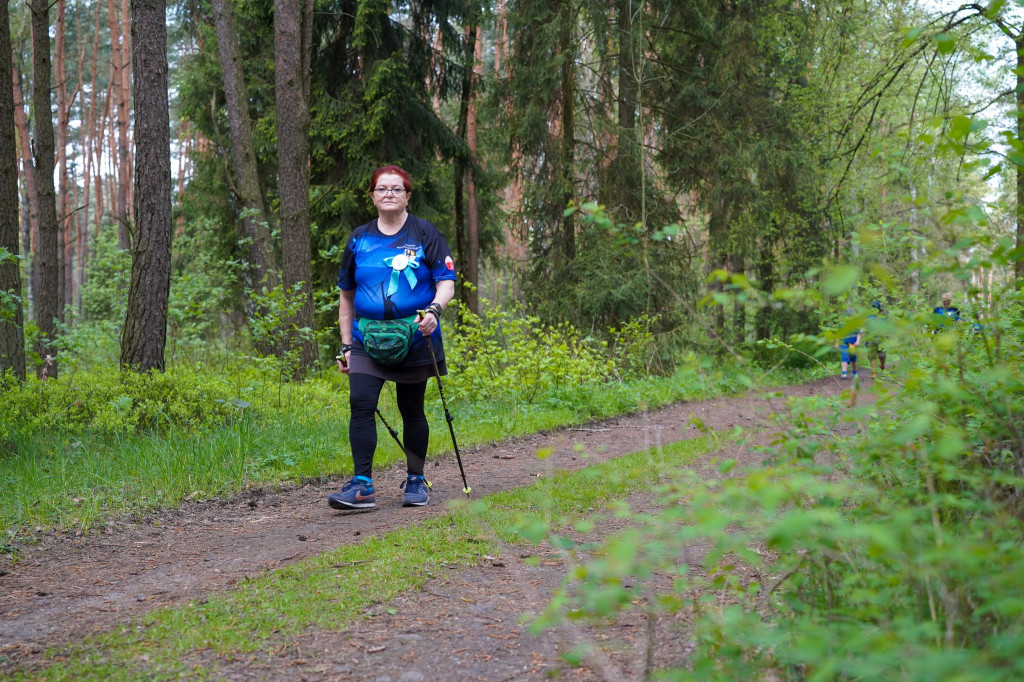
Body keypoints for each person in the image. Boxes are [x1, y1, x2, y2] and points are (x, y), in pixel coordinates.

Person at [328, 165, 457, 510]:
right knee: (361, 403)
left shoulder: (425, 233)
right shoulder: (359, 239)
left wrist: (434, 311)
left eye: (396, 189)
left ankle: (416, 481)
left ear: (407, 196)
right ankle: (362, 486)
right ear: (372, 196)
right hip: (365, 339)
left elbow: (446, 281)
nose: (389, 194)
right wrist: (345, 344)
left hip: (415, 336)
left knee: (411, 409)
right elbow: (346, 295)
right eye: (382, 189)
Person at [836, 312, 861, 380]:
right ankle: (844, 373)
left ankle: (854, 373)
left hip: (852, 344)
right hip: (844, 344)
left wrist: (857, 341)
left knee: (853, 359)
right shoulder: (841, 325)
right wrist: (837, 343)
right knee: (844, 357)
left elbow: (858, 334)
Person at [865, 300, 887, 377]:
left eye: (875, 308)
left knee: (882, 355)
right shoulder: (869, 317)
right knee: (872, 356)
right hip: (871, 339)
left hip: (881, 339)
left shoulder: (883, 317)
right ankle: (873, 372)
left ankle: (882, 366)